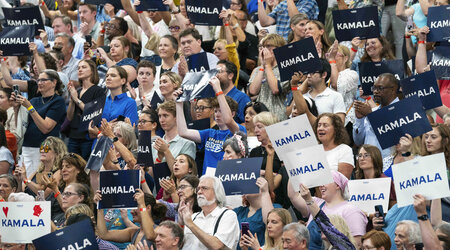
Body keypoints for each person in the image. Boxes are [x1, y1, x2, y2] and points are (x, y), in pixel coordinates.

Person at [176, 77, 246, 174]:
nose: (217, 114)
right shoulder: (209, 133)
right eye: (215, 111)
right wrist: (179, 103)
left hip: (226, 180)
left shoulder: (238, 131)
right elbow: (183, 132)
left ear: (233, 114)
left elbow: (228, 120)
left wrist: (218, 91)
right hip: (208, 181)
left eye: (220, 111)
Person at [288, 171, 368, 248]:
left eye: (325, 181)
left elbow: (356, 244)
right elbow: (293, 195)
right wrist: (295, 165)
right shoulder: (316, 202)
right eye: (320, 182)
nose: (320, 186)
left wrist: (309, 200)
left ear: (337, 185)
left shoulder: (351, 211)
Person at [14, 69, 66, 178]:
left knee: (38, 182)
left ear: (54, 82)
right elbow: (19, 123)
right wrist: (15, 107)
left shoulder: (58, 101)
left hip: (44, 149)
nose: (39, 83)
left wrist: (29, 107)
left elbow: (46, 127)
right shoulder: (34, 100)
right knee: (23, 179)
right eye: (38, 80)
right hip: (27, 146)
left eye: (43, 80)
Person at [179, 176, 240, 250]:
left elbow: (216, 245)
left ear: (217, 192)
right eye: (198, 189)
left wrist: (190, 224)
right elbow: (181, 245)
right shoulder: (193, 217)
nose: (199, 192)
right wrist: (181, 223)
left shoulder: (228, 215)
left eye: (204, 188)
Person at [96, 189, 167, 247]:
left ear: (148, 208)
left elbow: (150, 235)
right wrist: (100, 207)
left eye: (136, 207)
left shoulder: (159, 231)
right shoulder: (133, 232)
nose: (132, 211)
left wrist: (142, 204)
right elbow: (104, 235)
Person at [353, 73, 400, 160]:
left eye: (380, 88)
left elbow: (391, 138)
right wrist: (360, 119)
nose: (375, 91)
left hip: (390, 165)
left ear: (393, 89)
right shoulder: (372, 111)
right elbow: (358, 141)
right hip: (368, 164)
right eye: (374, 88)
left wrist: (371, 116)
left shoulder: (402, 110)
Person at [67, 59, 105, 160]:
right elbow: (69, 117)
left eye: (84, 67)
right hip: (73, 135)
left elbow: (93, 113)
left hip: (87, 136)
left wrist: (76, 99)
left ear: (92, 71)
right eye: (78, 68)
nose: (80, 70)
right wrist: (72, 99)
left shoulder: (98, 91)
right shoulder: (77, 91)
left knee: (85, 167)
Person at [298, 184, 356, 249]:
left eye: (329, 226)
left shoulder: (345, 246)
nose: (320, 229)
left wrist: (309, 200)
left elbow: (323, 222)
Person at [248, 34, 290, 121]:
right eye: (262, 46)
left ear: (279, 48)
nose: (264, 49)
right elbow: (252, 91)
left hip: (278, 117)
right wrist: (263, 66)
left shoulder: (286, 68)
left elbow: (275, 89)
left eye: (268, 46)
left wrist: (267, 65)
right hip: (260, 117)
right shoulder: (257, 70)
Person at [235, 177, 281, 249]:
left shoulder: (276, 208)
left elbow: (269, 220)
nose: (247, 187)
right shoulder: (238, 211)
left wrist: (265, 192)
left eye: (252, 184)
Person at [153, 101, 196, 168]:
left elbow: (185, 173)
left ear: (176, 118)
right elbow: (151, 176)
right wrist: (159, 159)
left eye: (165, 115)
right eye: (159, 116)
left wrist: (166, 151)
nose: (161, 120)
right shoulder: (155, 144)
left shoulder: (188, 143)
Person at [326, 42, 358, 128]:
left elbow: (336, 85)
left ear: (345, 58)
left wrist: (332, 61)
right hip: (329, 121)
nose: (331, 57)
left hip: (347, 123)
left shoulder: (352, 74)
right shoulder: (326, 76)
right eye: (329, 55)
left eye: (335, 54)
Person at [313, 113, 354, 178]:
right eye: (319, 125)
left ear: (336, 129)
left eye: (325, 125)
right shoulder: (312, 150)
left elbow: (342, 180)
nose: (320, 128)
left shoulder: (344, 149)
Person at [355, 145, 397, 209]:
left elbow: (393, 207)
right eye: (359, 156)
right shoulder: (357, 183)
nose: (361, 158)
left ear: (375, 158)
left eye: (366, 155)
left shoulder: (385, 181)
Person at [216, 60, 251, 124]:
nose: (216, 75)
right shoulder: (212, 95)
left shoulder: (242, 98)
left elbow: (246, 124)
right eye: (214, 72)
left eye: (219, 72)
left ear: (230, 75)